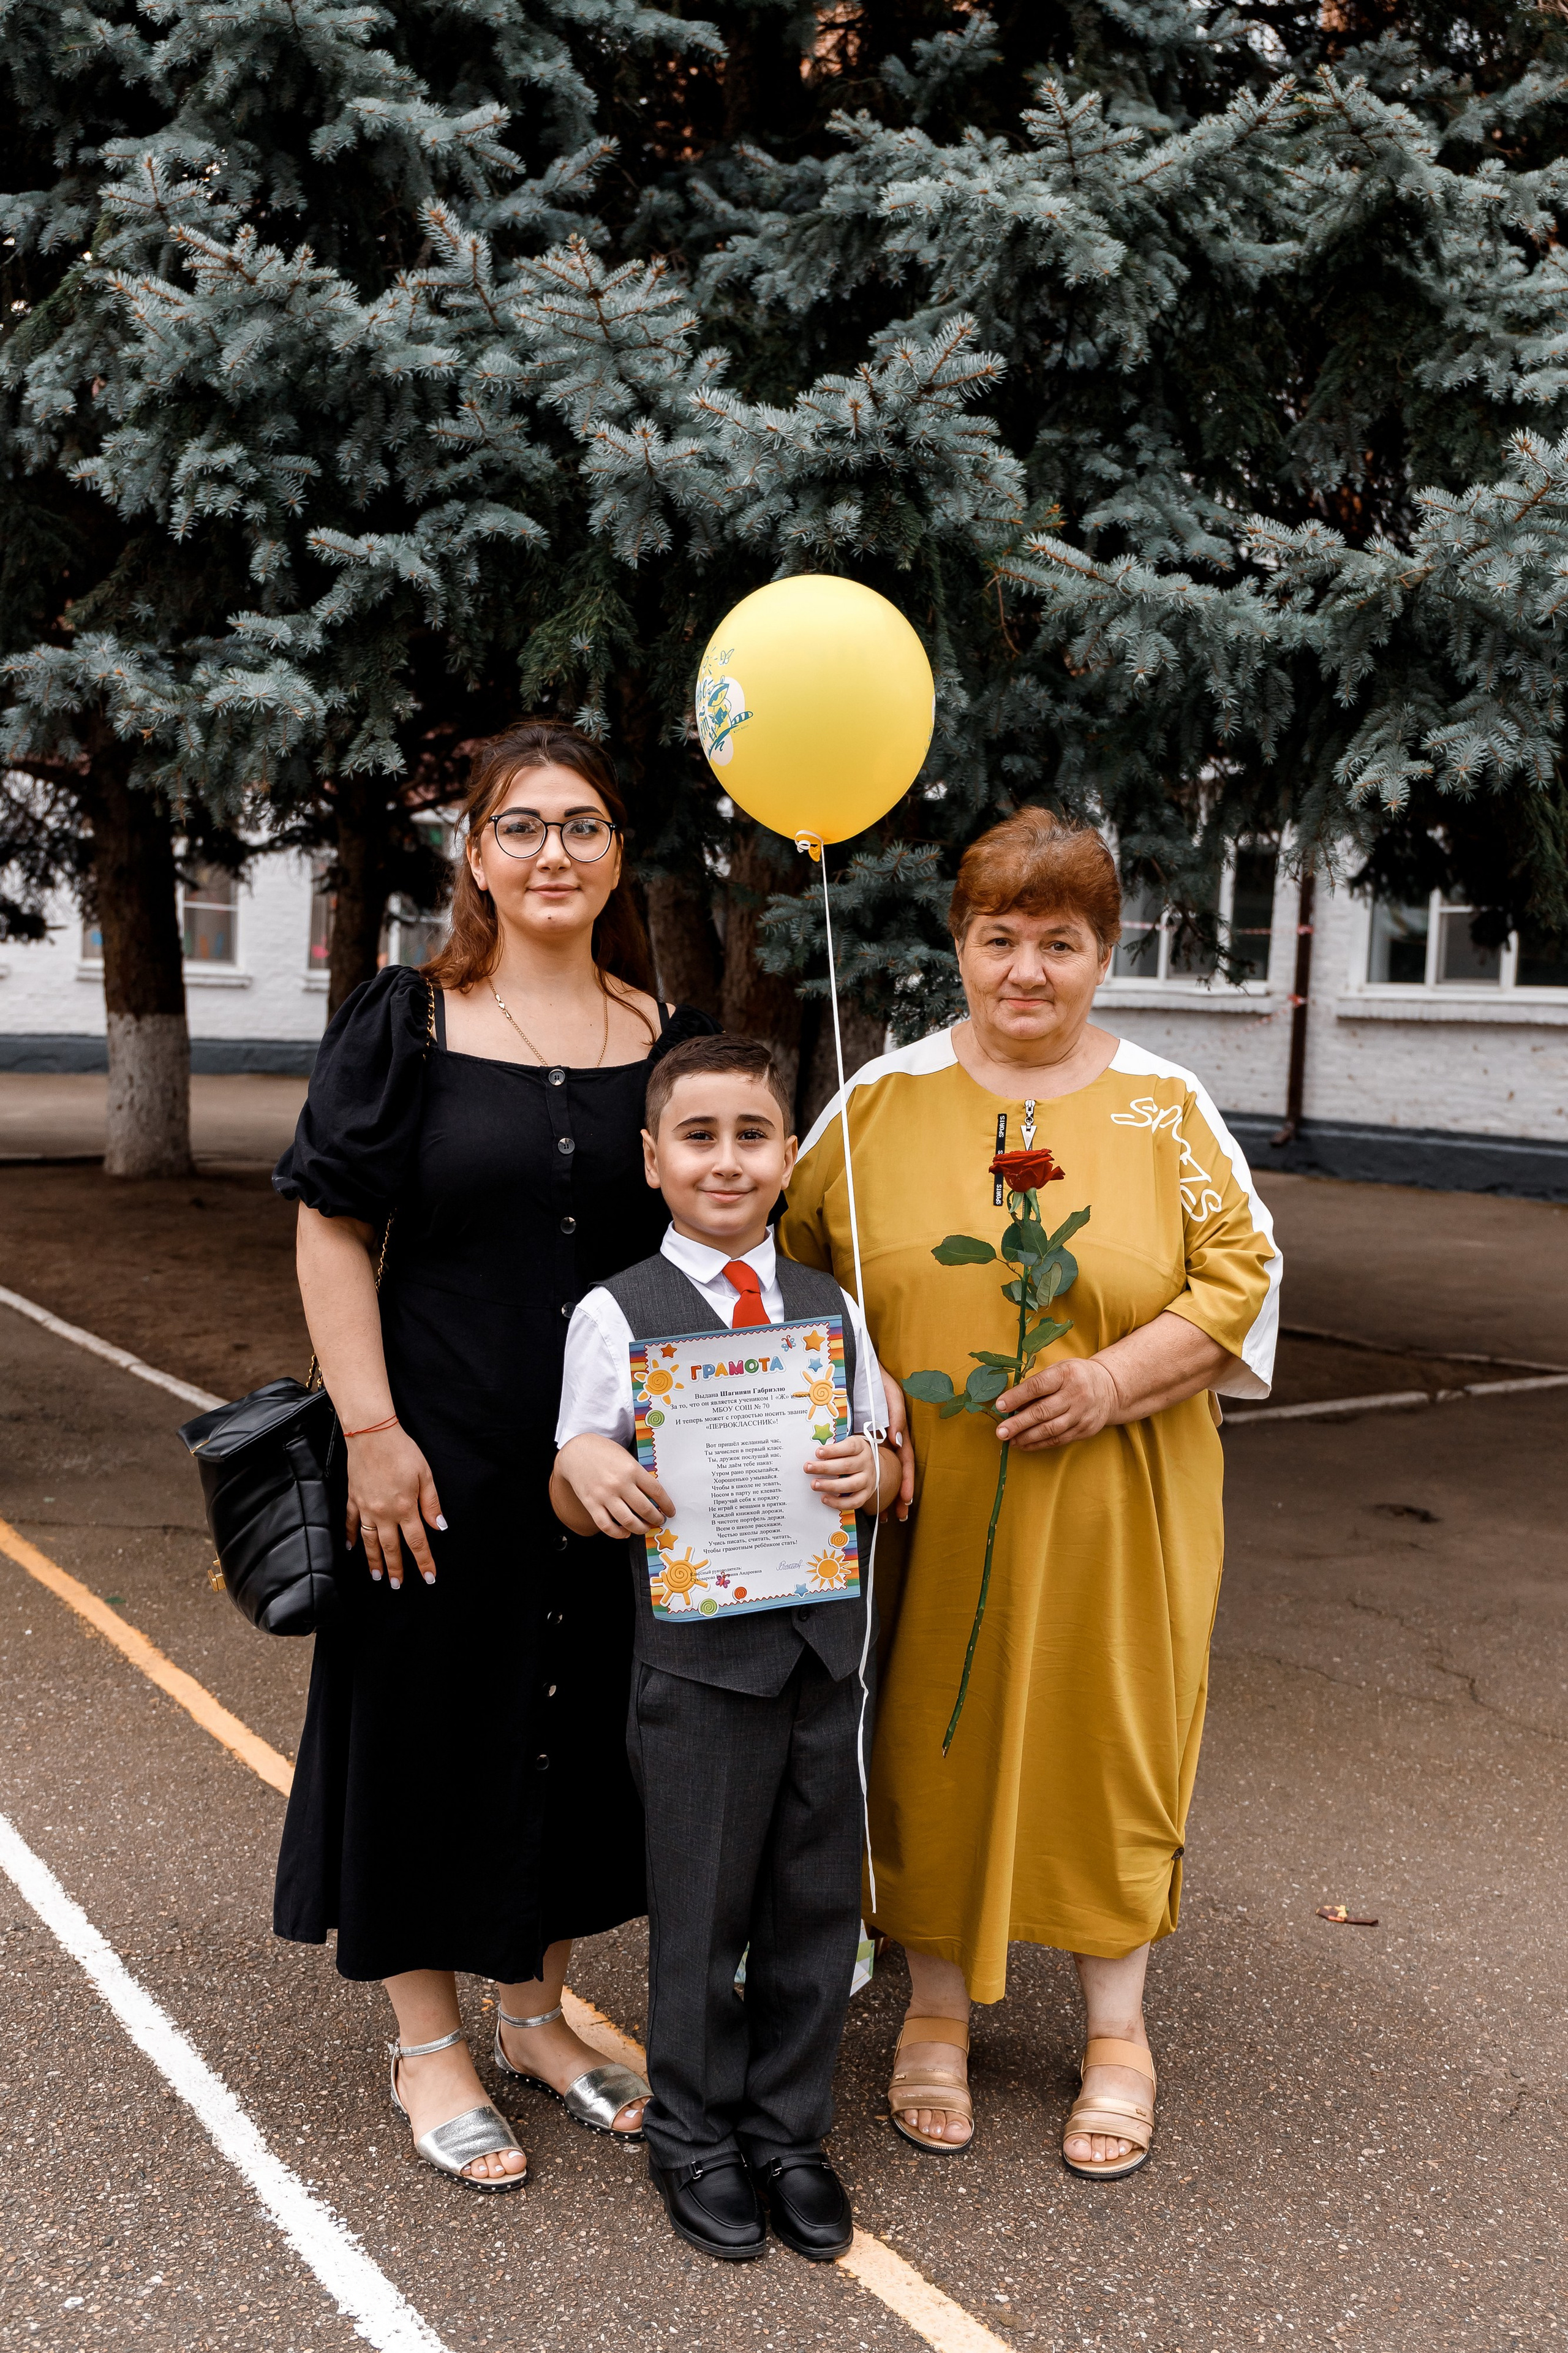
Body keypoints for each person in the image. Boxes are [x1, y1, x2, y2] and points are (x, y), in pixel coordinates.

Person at [780, 809, 1281, 2181]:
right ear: (959, 945)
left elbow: (1241, 1280)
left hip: (1123, 1505)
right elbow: (786, 1268)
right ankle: (931, 2001)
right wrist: (851, 1381)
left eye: (1059, 943)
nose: (1026, 971)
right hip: (929, 1511)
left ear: (1103, 955)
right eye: (998, 938)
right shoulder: (875, 1106)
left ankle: (1115, 2030)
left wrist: (1114, 1381)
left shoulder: (1162, 1109)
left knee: (1106, 1729)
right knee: (930, 1730)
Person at [273, 719, 718, 2191]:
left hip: (600, 1462)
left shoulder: (660, 1033)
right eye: (519, 826)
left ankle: (536, 2011)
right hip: (437, 1443)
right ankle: (426, 2041)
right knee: (424, 1721)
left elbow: (718, 1235)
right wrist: (372, 1433)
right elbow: (333, 1228)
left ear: (615, 854)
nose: (552, 852)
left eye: (581, 825)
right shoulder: (405, 1020)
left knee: (578, 1727)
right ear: (474, 853)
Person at [551, 1033, 902, 2260]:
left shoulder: (829, 1308)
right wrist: (585, 1464)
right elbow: (567, 1470)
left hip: (820, 1657)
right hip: (696, 1669)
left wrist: (880, 1465)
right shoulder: (615, 1312)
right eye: (696, 1137)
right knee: (698, 1911)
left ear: (788, 1156)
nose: (725, 1159)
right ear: (652, 1160)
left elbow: (884, 1459)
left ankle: (788, 2132)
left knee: (814, 1907)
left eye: (750, 1134)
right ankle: (693, 2135)